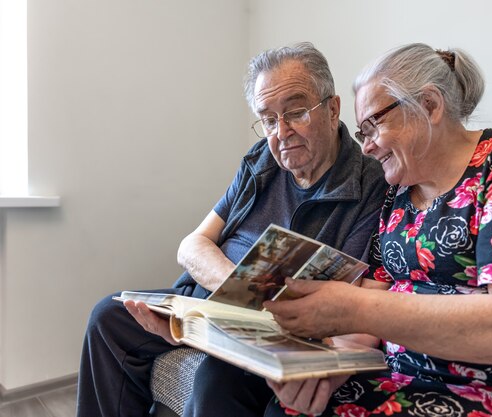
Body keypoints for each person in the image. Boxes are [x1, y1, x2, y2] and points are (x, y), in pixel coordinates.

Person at [261, 43, 492, 416]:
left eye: (372, 126)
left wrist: (354, 307)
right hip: (406, 381)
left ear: (429, 104)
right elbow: (366, 327)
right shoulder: (397, 196)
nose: (367, 149)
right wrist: (331, 369)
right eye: (362, 134)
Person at [76, 42, 387, 417]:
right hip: (214, 302)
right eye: (269, 119)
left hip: (280, 328)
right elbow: (192, 245)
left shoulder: (369, 182)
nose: (281, 132)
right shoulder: (261, 161)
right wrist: (239, 293)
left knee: (216, 382)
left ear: (332, 107)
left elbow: (348, 295)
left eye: (296, 111)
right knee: (107, 317)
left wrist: (253, 309)